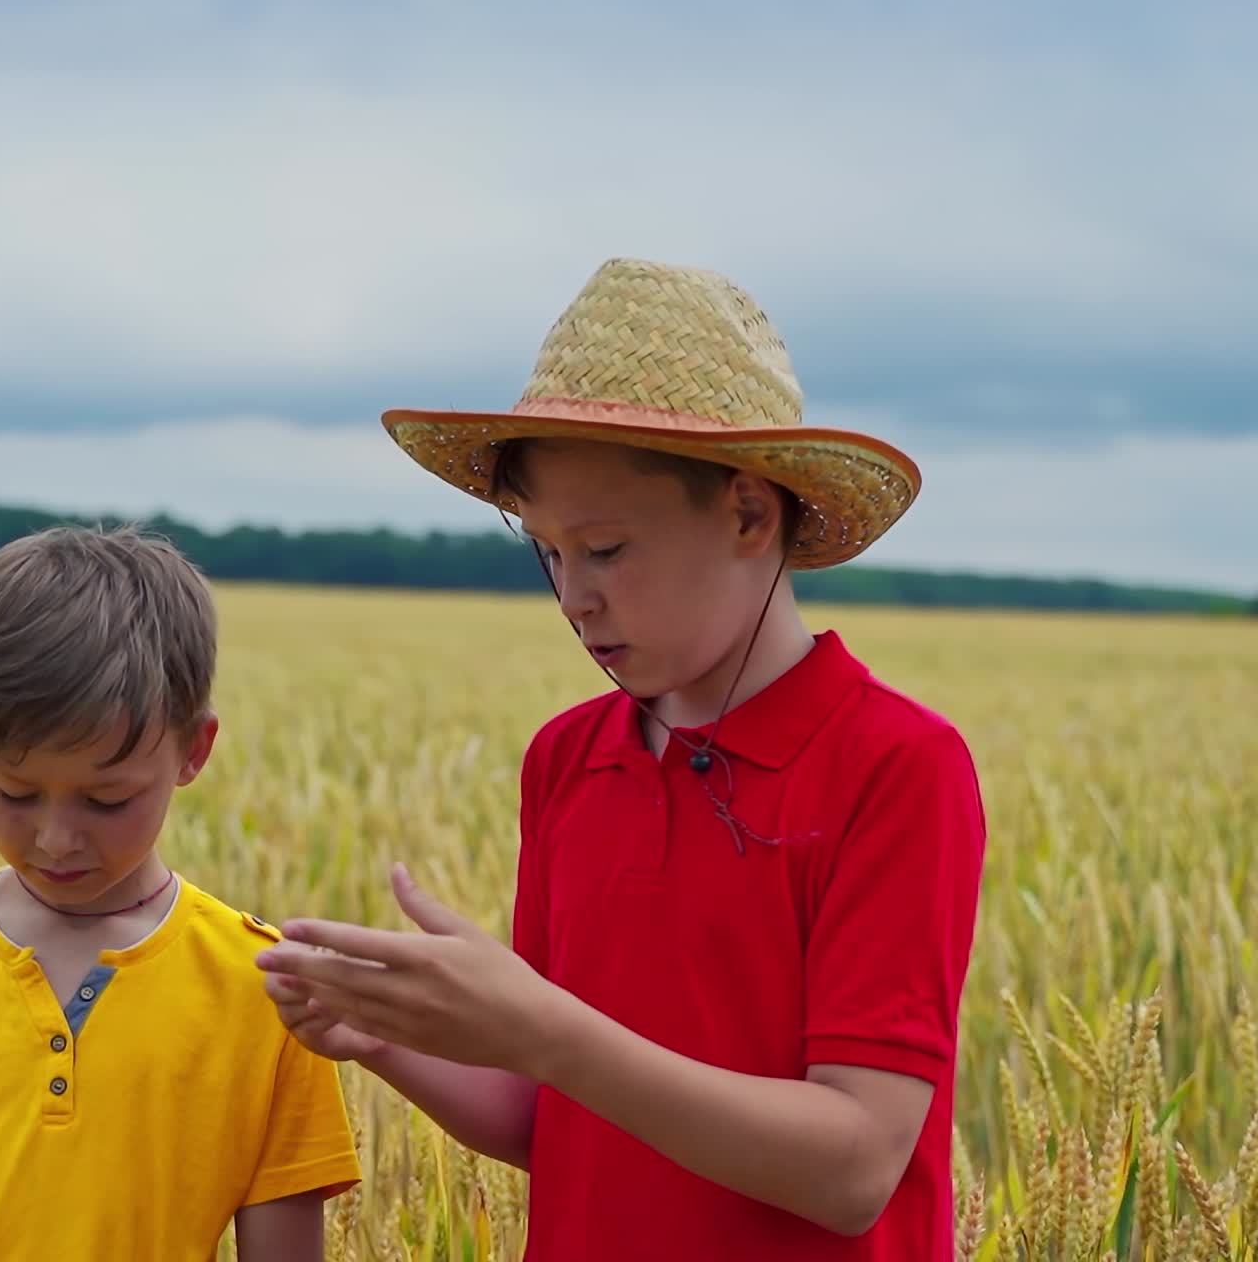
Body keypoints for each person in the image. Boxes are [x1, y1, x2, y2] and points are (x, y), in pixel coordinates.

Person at [257, 257, 987, 1259]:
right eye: (547, 552)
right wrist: (384, 1037)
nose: (572, 596)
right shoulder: (567, 759)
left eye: (603, 550)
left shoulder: (895, 764)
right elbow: (553, 1119)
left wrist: (544, 1031)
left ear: (747, 515)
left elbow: (853, 1167)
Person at [0, 524, 361, 1261]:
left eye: (106, 800)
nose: (56, 839)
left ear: (194, 750)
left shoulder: (267, 990)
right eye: (15, 792)